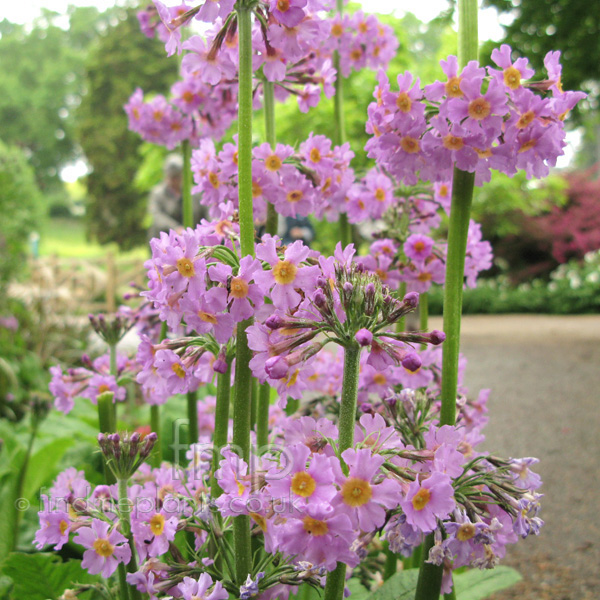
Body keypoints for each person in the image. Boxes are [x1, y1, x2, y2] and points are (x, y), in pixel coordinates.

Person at [147, 154, 205, 241]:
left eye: (177, 176)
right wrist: (175, 228)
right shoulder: (158, 194)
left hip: (192, 239)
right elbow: (156, 215)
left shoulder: (195, 193)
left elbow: (204, 213)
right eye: (172, 177)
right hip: (166, 239)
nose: (174, 180)